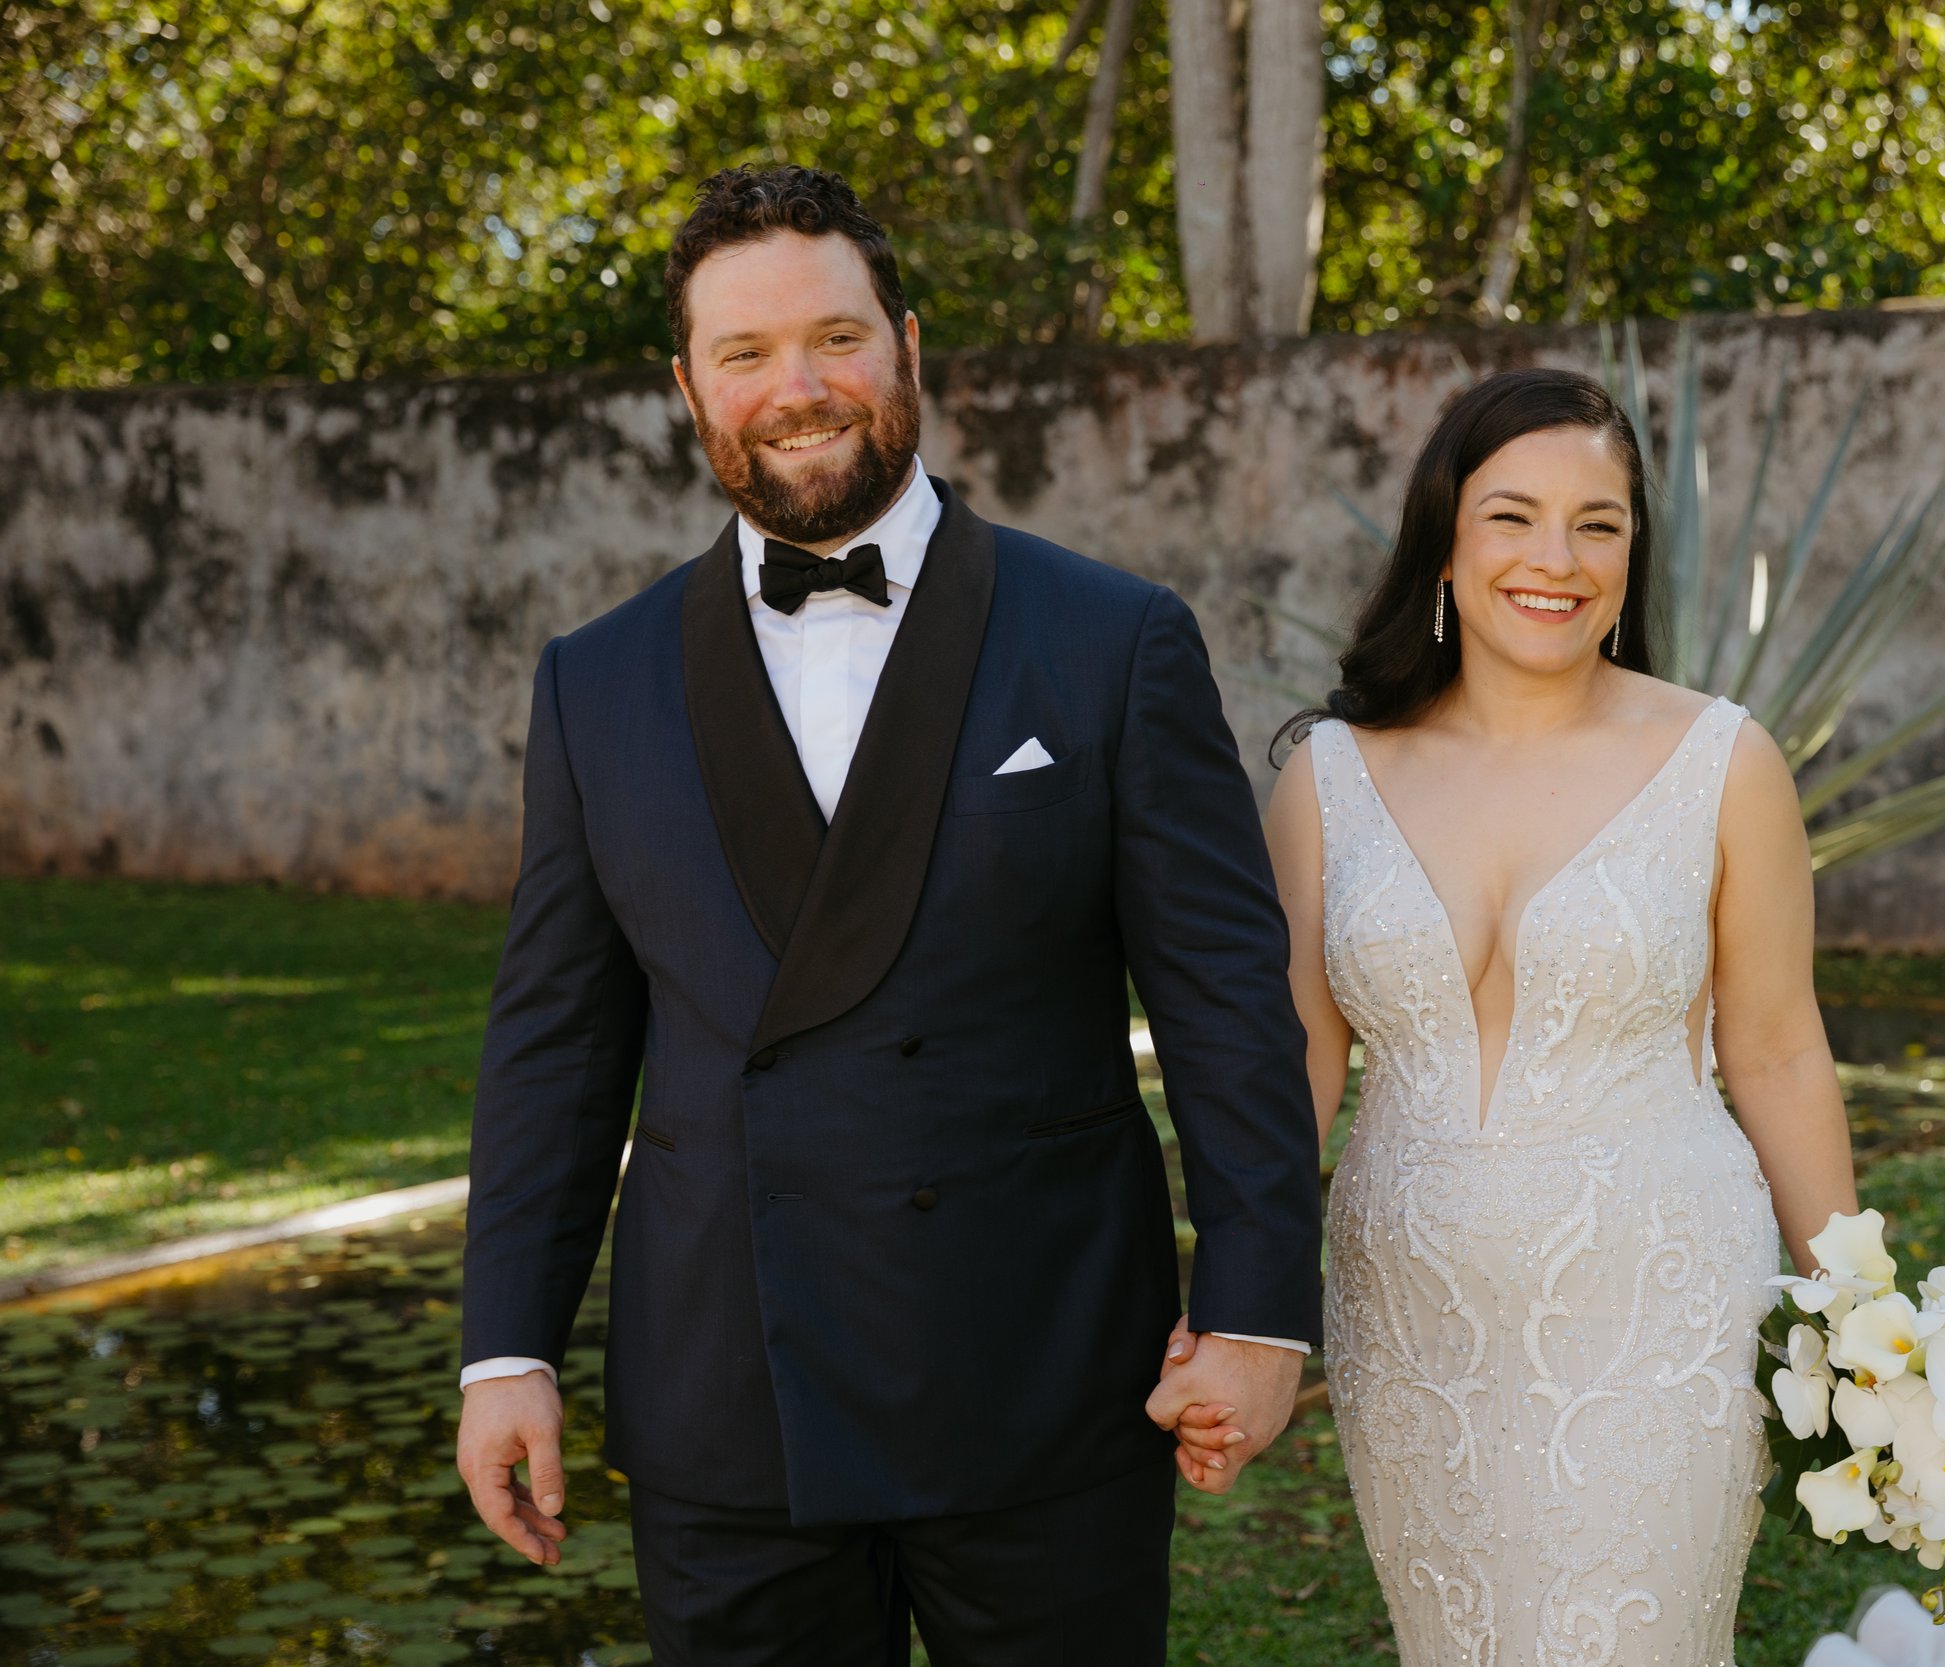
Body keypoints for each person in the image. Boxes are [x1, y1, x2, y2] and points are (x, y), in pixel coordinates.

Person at [452, 163, 1321, 1666]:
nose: (799, 388)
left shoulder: (1113, 641)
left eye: (836, 338)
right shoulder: (595, 682)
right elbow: (558, 1043)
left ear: (908, 346)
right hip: (730, 1397)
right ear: (688, 387)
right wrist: (508, 1347)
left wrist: (1255, 1312)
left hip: (1042, 1374)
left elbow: (1228, 1002)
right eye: (746, 354)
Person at [1183, 368, 1860, 1665]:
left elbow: (1775, 1047)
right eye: (1513, 516)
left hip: (1659, 1302)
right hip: (1413, 1318)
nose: (1557, 558)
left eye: (1597, 523)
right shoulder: (1329, 778)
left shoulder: (1723, 760)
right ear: (1444, 537)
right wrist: (1241, 1306)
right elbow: (1296, 1063)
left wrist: (1858, 1311)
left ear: (1633, 553)